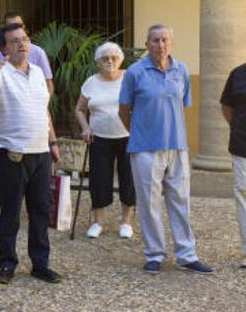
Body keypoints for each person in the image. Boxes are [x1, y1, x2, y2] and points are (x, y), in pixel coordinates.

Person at [119, 24, 212, 275]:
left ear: (171, 43)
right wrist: (140, 132)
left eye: (165, 40)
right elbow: (124, 110)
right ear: (146, 43)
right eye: (155, 40)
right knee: (149, 205)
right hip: (145, 148)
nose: (161, 45)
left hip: (177, 146)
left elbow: (181, 106)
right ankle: (154, 254)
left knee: (181, 202)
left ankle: (186, 255)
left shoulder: (181, 70)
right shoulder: (134, 73)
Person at [0, 22, 62, 285]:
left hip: (39, 152)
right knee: (11, 211)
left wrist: (52, 142)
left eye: (25, 39)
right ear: (4, 48)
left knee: (40, 209)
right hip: (10, 153)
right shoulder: (0, 73)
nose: (22, 44)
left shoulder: (39, 72)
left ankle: (40, 264)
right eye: (15, 40)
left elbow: (43, 110)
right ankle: (7, 265)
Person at [74, 42, 134, 239]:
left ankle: (126, 222)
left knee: (128, 179)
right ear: (98, 62)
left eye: (114, 58)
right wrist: (85, 128)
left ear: (120, 60)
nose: (110, 61)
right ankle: (98, 222)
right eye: (105, 58)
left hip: (128, 137)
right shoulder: (91, 82)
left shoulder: (129, 78)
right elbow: (80, 109)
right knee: (99, 180)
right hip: (99, 138)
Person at [0, 12, 54, 95]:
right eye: (11, 26)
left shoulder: (38, 53)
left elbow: (48, 84)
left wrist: (41, 105)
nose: (15, 29)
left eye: (18, 26)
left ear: (23, 27)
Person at [221, 60, 246, 269]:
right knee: (244, 198)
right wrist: (238, 128)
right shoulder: (237, 73)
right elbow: (226, 107)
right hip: (242, 147)